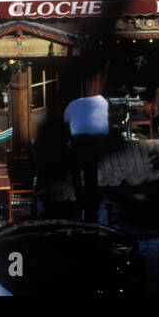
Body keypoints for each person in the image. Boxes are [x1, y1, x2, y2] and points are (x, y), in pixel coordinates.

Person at [64, 86, 109, 224]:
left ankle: (81, 197)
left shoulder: (72, 105)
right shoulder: (102, 101)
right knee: (91, 169)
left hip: (80, 139)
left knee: (76, 168)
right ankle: (91, 197)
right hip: (97, 138)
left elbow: (66, 121)